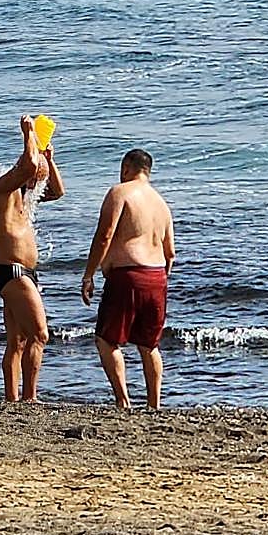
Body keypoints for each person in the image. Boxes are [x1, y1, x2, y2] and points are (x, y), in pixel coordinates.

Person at [81, 149, 175, 410]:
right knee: (149, 344)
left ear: (126, 168)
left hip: (127, 275)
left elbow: (104, 235)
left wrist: (89, 275)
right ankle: (154, 405)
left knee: (106, 339)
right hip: (157, 277)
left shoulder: (119, 192)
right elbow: (170, 254)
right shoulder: (161, 204)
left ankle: (123, 401)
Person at [0, 115, 65, 403]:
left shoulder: (25, 196)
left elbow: (57, 191)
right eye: (35, 175)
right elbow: (28, 165)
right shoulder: (0, 191)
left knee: (17, 342)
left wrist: (49, 158)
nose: (37, 180)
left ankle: (12, 400)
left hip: (24, 274)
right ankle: (30, 398)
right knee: (40, 335)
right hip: (12, 272)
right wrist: (28, 134)